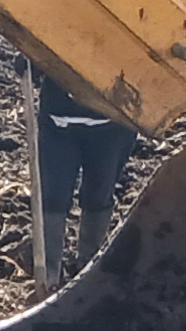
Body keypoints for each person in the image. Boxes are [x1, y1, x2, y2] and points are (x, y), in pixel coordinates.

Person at [33, 63, 142, 286]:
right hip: (59, 124)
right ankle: (49, 274)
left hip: (113, 126)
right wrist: (31, 60)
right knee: (53, 196)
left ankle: (89, 268)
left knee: (99, 194)